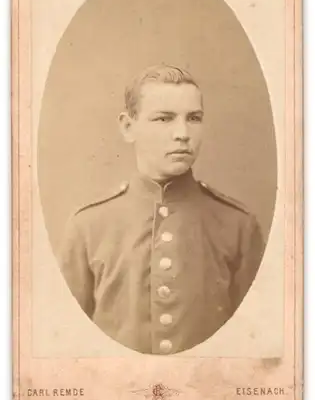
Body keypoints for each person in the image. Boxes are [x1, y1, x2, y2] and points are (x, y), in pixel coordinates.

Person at [59, 64, 265, 355]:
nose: (182, 133)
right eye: (164, 119)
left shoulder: (238, 225)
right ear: (128, 127)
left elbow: (254, 344)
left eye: (194, 118)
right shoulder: (88, 226)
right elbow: (66, 343)